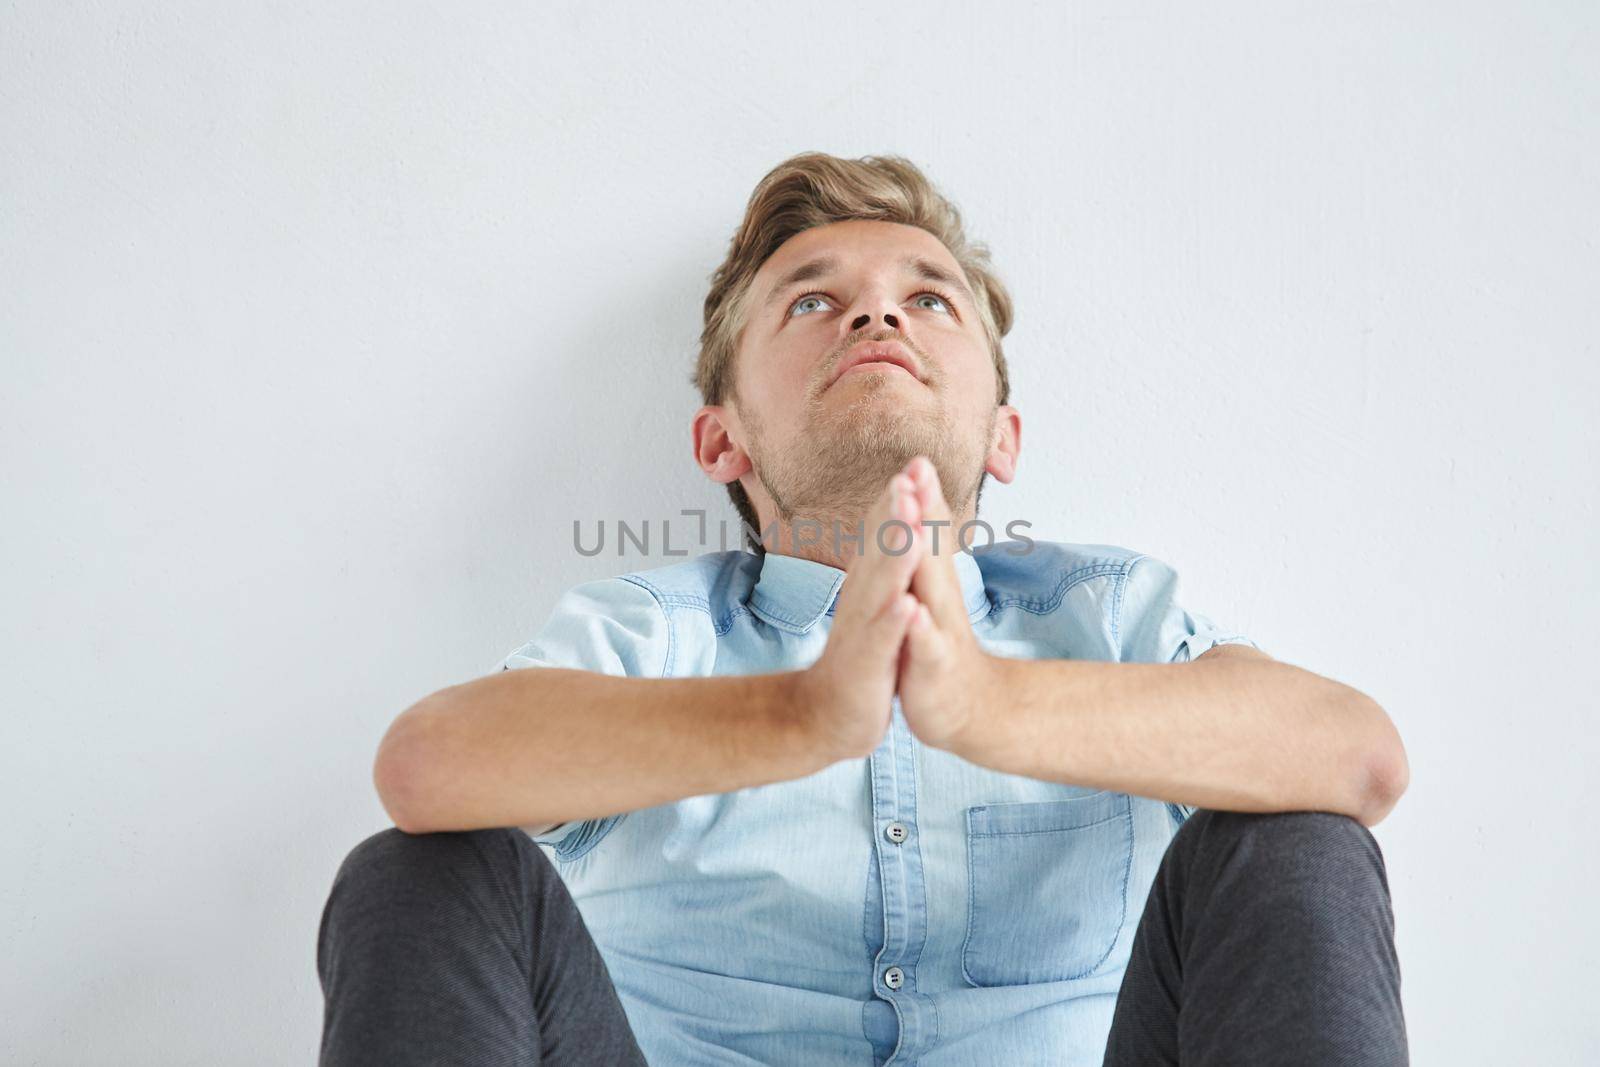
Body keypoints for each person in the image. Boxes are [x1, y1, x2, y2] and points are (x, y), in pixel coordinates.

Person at [316, 152, 1410, 1066]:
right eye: (811, 301)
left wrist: (986, 702)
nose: (877, 312)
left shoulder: (1107, 614)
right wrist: (803, 712)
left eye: (928, 298)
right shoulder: (650, 630)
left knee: (1296, 839)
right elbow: (424, 767)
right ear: (722, 440)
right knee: (416, 872)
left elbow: (1356, 758)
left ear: (1001, 435)